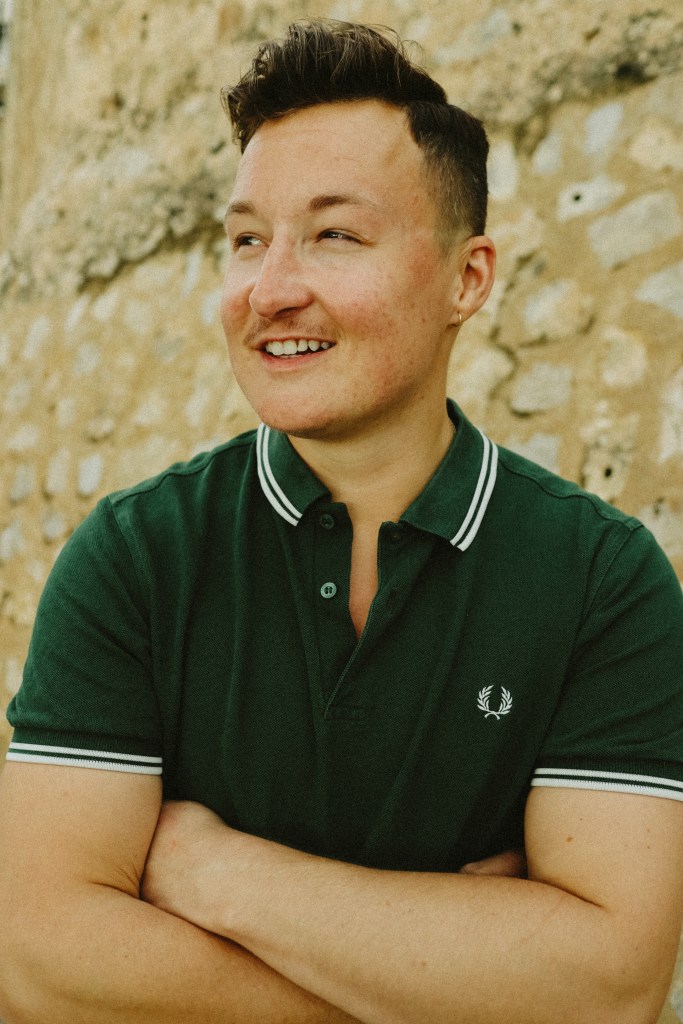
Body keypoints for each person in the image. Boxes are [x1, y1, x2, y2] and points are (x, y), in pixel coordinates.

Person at [1, 19, 682, 1024]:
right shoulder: (136, 556)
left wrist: (210, 871)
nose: (269, 289)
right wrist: (446, 984)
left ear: (468, 278)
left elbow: (606, 988)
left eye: (334, 234)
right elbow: (41, 962)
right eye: (244, 239)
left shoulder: (599, 581)